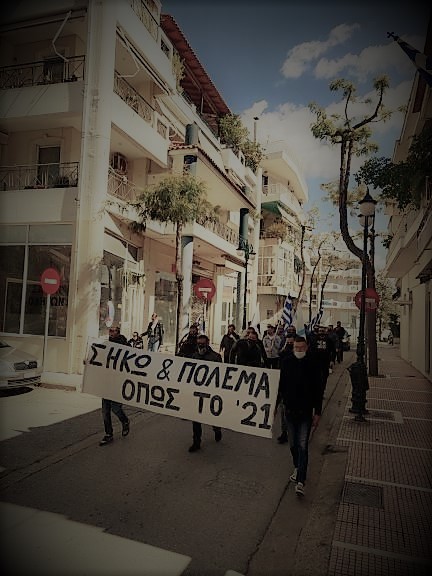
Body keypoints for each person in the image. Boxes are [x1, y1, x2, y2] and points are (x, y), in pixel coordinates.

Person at [277, 336, 323, 497]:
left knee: (302, 445)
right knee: (292, 444)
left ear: (307, 347)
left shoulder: (313, 364)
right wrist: (275, 406)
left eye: (302, 347)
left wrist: (318, 412)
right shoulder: (286, 362)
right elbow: (280, 385)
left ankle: (301, 481)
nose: (299, 350)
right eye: (296, 347)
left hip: (305, 412)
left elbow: (318, 390)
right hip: (289, 411)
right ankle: (297, 467)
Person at [188, 334, 223, 452]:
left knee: (212, 416)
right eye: (199, 344)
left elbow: (220, 374)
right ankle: (196, 442)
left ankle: (217, 429)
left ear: (207, 343)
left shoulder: (216, 357)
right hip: (198, 392)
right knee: (196, 418)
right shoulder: (194, 356)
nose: (200, 346)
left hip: (211, 392)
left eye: (202, 344)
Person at [99, 326, 130, 446]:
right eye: (109, 330)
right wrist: (90, 362)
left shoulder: (125, 346)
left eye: (113, 331)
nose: (110, 333)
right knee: (105, 410)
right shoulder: (106, 345)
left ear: (118, 332)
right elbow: (99, 358)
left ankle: (125, 421)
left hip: (118, 381)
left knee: (116, 408)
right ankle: (108, 434)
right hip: (107, 381)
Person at [276, 332, 296, 444]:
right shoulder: (283, 354)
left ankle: (293, 431)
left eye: (291, 343)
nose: (289, 344)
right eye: (287, 342)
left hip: (296, 390)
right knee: (283, 412)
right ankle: (284, 432)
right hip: (285, 389)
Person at [310, 325, 335, 396]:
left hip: (325, 362)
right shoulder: (314, 339)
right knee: (315, 377)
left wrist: (332, 360)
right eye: (320, 331)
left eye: (322, 331)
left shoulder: (329, 340)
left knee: (324, 377)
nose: (321, 332)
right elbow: (310, 350)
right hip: (315, 362)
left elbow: (333, 351)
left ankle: (322, 390)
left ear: (325, 332)